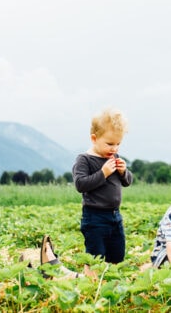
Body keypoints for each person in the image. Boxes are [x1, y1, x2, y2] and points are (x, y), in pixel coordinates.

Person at [72, 107, 133, 263]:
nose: (114, 148)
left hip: (115, 216)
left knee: (117, 254)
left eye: (118, 144)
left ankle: (111, 283)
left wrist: (123, 172)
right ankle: (91, 282)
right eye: (109, 143)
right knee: (95, 256)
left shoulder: (114, 157)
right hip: (94, 217)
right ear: (94, 138)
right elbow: (80, 184)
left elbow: (127, 182)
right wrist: (103, 173)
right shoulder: (84, 160)